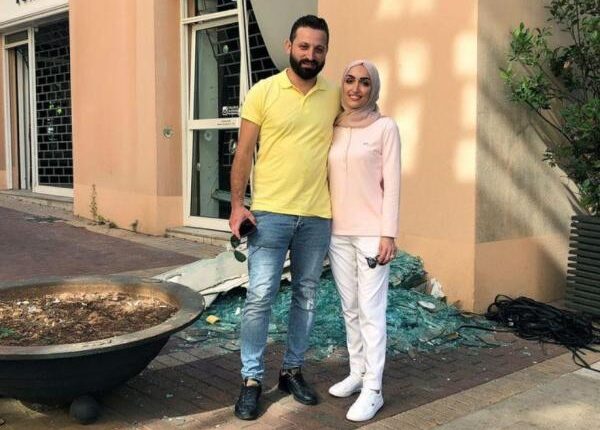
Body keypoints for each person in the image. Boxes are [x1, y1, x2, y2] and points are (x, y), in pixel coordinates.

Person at [228, 15, 339, 421]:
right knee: (260, 297)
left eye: (319, 48)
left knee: (306, 296)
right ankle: (251, 380)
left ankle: (292, 370)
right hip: (270, 215)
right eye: (304, 46)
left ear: (325, 52)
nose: (311, 54)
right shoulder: (263, 92)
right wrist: (237, 205)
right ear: (289, 46)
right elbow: (243, 152)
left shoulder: (335, 95)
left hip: (317, 215)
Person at [326, 60, 401, 422]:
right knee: (350, 307)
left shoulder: (385, 127)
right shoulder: (335, 126)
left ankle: (374, 389)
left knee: (372, 311)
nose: (356, 88)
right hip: (337, 233)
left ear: (374, 89)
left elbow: (393, 183)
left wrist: (389, 233)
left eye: (364, 82)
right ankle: (357, 372)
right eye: (350, 80)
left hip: (371, 234)